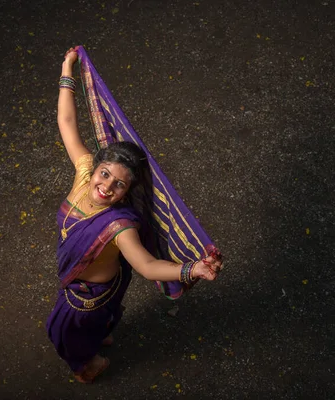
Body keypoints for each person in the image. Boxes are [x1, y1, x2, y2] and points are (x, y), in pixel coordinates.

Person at [46, 47, 223, 384]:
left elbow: (146, 266)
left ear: (127, 193)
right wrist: (67, 67)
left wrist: (193, 268)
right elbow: (66, 121)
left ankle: (88, 366)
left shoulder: (119, 225)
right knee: (95, 327)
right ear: (96, 167)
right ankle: (100, 335)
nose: (106, 187)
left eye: (119, 185)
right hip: (89, 285)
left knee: (65, 334)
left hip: (89, 297)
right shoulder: (84, 172)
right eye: (105, 174)